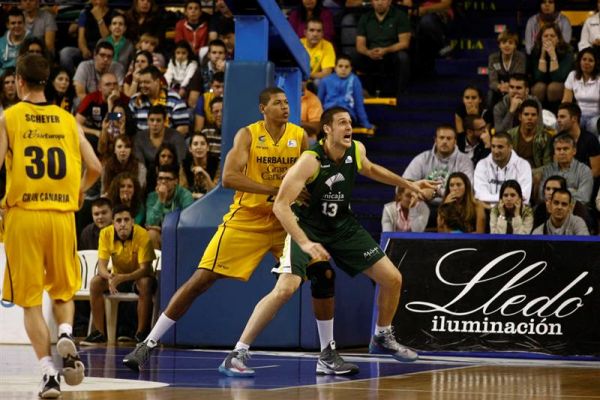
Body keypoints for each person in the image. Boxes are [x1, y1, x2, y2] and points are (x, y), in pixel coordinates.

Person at [122, 87, 345, 374]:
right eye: (277, 103)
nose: (285, 107)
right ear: (263, 108)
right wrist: (275, 190)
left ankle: (327, 353)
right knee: (200, 280)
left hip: (285, 221)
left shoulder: (299, 135)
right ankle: (148, 344)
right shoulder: (248, 135)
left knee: (322, 273)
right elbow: (228, 178)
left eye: (287, 102)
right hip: (247, 219)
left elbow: (312, 172)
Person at [217, 106, 435, 377]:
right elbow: (281, 206)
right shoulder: (310, 160)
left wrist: (410, 185)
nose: (349, 127)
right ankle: (238, 352)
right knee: (286, 288)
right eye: (342, 123)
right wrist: (305, 243)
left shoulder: (356, 150)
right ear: (327, 129)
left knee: (392, 278)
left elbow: (370, 169)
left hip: (342, 226)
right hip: (307, 227)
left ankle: (381, 335)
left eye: (350, 123)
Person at [0, 53, 102, 398]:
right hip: (62, 217)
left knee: (29, 302)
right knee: (63, 291)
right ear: (47, 81)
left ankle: (48, 374)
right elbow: (96, 168)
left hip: (25, 215)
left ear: (19, 81)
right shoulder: (67, 120)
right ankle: (66, 332)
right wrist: (77, 193)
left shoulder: (9, 117)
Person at [82, 204, 157, 345]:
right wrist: (109, 278)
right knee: (95, 283)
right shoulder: (105, 233)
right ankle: (99, 333)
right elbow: (102, 267)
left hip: (138, 278)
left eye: (126, 220)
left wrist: (123, 277)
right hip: (117, 277)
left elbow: (146, 269)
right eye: (118, 221)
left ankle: (141, 334)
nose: (123, 224)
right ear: (113, 223)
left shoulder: (142, 234)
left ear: (132, 221)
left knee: (145, 283)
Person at [403, 125, 473, 204]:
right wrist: (419, 193)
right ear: (435, 140)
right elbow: (404, 185)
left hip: (453, 205)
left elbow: (468, 189)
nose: (445, 141)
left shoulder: (465, 161)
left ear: (455, 141)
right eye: (441, 138)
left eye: (449, 138)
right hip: (424, 205)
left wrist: (436, 192)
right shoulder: (422, 158)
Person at [355, 0, 411, 97]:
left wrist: (385, 50)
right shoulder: (365, 17)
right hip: (371, 54)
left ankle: (401, 94)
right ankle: (364, 93)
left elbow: (404, 43)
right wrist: (368, 52)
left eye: (383, 0)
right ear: (372, 2)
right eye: (376, 0)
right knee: (353, 57)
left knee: (403, 57)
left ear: (389, 2)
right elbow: (360, 45)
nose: (379, 3)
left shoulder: (400, 16)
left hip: (392, 53)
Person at [473, 132, 532, 207]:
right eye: (493, 146)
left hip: (514, 212)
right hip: (487, 212)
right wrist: (508, 200)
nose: (496, 151)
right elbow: (480, 196)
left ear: (510, 147)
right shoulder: (482, 164)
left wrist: (490, 204)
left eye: (500, 147)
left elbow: (524, 197)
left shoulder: (523, 165)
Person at [128, 66, 190, 135]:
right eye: (141, 83)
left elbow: (183, 127)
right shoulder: (135, 100)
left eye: (146, 82)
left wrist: (165, 142)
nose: (142, 85)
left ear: (157, 81)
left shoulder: (173, 98)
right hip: (142, 142)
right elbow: (122, 118)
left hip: (168, 142)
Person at [145, 164, 194, 249]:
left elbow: (188, 222)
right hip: (160, 238)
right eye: (160, 178)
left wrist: (165, 228)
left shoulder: (185, 195)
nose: (163, 182)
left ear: (176, 181)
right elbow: (150, 222)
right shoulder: (152, 197)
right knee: (151, 234)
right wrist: (161, 200)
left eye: (168, 179)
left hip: (178, 236)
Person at [318, 55, 373, 129]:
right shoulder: (325, 80)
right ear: (335, 67)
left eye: (347, 67)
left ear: (351, 68)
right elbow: (319, 102)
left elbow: (359, 104)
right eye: (340, 66)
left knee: (339, 121)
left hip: (347, 113)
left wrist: (366, 123)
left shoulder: (354, 80)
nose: (343, 69)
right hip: (329, 112)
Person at [539, 133, 593, 205]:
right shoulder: (548, 170)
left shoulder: (584, 170)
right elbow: (542, 195)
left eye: (565, 149)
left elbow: (584, 198)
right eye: (558, 149)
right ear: (554, 152)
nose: (562, 152)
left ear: (574, 151)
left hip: (576, 210)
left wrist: (557, 192)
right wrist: (572, 190)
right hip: (551, 208)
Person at [528, 23, 573, 107]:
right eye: (545, 36)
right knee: (539, 87)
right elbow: (538, 77)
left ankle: (556, 116)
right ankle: (540, 115)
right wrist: (542, 55)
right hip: (542, 85)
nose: (549, 38)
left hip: (561, 85)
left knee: (553, 88)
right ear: (540, 38)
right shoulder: (535, 51)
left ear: (558, 39)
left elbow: (558, 78)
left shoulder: (567, 52)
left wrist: (553, 56)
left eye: (552, 36)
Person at [561, 48, 600, 136]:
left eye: (590, 60)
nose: (586, 63)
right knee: (566, 123)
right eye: (584, 59)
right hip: (578, 114)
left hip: (596, 116)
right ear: (579, 61)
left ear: (596, 64)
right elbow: (566, 100)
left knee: (593, 125)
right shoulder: (572, 75)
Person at [555, 102, 600, 177]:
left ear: (574, 118)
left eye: (562, 117)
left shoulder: (590, 140)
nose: (558, 120)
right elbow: (557, 167)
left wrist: (576, 179)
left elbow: (596, 171)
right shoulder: (556, 139)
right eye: (558, 117)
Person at [506, 99, 553, 170]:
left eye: (533, 115)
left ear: (537, 117)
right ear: (520, 117)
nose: (530, 118)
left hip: (537, 174)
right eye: (526, 114)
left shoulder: (545, 136)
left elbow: (548, 164)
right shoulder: (509, 135)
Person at [486, 30, 526, 110]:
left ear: (515, 45)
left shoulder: (520, 57)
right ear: (499, 45)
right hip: (499, 88)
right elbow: (492, 81)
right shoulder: (493, 58)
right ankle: (489, 120)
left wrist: (509, 87)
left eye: (510, 43)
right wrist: (500, 86)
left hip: (516, 87)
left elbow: (519, 77)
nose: (507, 45)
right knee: (490, 94)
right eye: (504, 42)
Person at [180, 131, 219, 200]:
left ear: (208, 148)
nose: (199, 147)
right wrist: (198, 196)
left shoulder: (216, 163)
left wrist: (205, 175)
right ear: (190, 149)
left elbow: (215, 193)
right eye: (195, 144)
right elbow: (183, 193)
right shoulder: (184, 164)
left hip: (212, 202)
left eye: (202, 144)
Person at [301, 18, 336, 85]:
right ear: (305, 32)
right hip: (299, 80)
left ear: (322, 33)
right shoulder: (297, 44)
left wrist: (308, 76)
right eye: (311, 30)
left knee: (319, 82)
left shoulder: (327, 46)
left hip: (314, 81)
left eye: (318, 31)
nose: (315, 34)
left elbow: (326, 73)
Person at [0, 8, 27, 75]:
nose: (17, 26)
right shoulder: (0, 43)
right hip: (5, 80)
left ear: (24, 24)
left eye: (19, 23)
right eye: (13, 23)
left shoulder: (32, 40)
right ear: (7, 25)